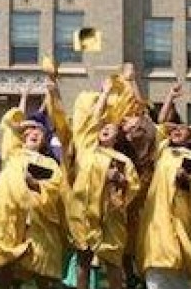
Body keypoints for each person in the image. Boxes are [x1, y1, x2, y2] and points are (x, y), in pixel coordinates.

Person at [61, 78, 141, 289]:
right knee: (83, 261)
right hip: (84, 214)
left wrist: (120, 181)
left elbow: (132, 188)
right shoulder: (87, 148)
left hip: (110, 216)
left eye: (111, 127)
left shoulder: (123, 160)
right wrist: (105, 94)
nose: (105, 128)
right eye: (102, 127)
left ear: (119, 135)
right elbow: (93, 121)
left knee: (113, 262)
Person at [0, 84, 65, 289]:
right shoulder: (11, 153)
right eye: (28, 129)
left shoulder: (49, 163)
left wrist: (36, 185)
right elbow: (10, 125)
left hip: (38, 221)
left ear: (45, 138)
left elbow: (56, 187)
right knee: (7, 264)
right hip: (9, 217)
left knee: (41, 267)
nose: (33, 132)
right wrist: (23, 98)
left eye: (38, 131)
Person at [136, 112, 191, 289]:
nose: (177, 130)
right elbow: (155, 128)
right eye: (175, 129)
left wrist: (187, 180)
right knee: (155, 256)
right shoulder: (163, 151)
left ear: (190, 140)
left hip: (179, 214)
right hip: (156, 214)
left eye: (183, 129)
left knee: (175, 256)